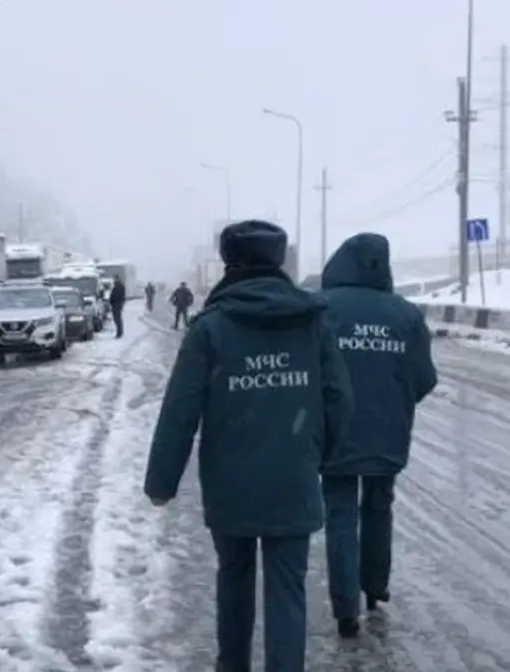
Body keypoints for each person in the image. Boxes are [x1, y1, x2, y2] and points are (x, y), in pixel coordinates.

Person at [144, 219, 353, 671]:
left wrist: (162, 480)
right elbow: (340, 398)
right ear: (278, 261)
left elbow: (180, 410)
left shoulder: (211, 328)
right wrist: (320, 456)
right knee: (287, 590)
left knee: (233, 579)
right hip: (293, 476)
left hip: (231, 479)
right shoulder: (311, 322)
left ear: (228, 261)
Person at [317, 233, 438, 638]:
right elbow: (424, 377)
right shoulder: (405, 314)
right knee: (379, 506)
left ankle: (345, 608)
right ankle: (375, 586)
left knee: (340, 512)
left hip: (335, 430)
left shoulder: (324, 309)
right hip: (388, 429)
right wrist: (396, 404)